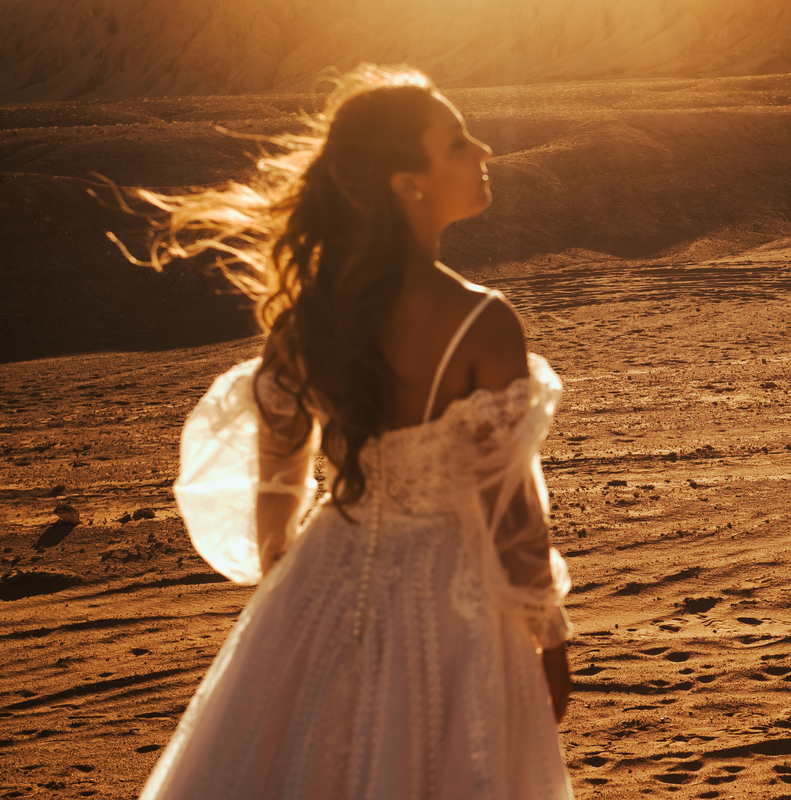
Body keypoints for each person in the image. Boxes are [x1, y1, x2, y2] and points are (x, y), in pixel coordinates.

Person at [130, 65, 574, 799]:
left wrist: (295, 599)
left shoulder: (310, 321)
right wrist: (548, 635)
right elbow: (510, 508)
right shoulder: (481, 322)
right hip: (454, 601)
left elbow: (277, 487)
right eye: (458, 142)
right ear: (408, 181)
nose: (485, 150)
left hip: (325, 579)